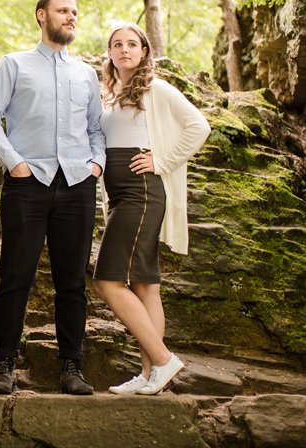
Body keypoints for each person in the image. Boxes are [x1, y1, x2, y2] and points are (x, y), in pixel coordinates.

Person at [0, 0, 106, 396]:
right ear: (41, 16)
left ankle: (71, 367)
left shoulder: (86, 73)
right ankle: (4, 366)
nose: (71, 17)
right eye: (63, 11)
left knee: (72, 283)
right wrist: (13, 162)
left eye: (74, 12)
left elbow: (96, 129)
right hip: (26, 185)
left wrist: (96, 165)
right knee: (15, 277)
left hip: (77, 185)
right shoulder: (14, 65)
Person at [93, 22, 210, 396]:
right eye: (117, 44)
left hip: (142, 192)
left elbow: (198, 126)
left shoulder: (155, 89)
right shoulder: (108, 94)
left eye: (132, 44)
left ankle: (162, 360)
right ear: (109, 53)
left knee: (107, 281)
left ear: (144, 52)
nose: (124, 49)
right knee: (146, 285)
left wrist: (162, 161)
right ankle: (148, 377)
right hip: (120, 195)